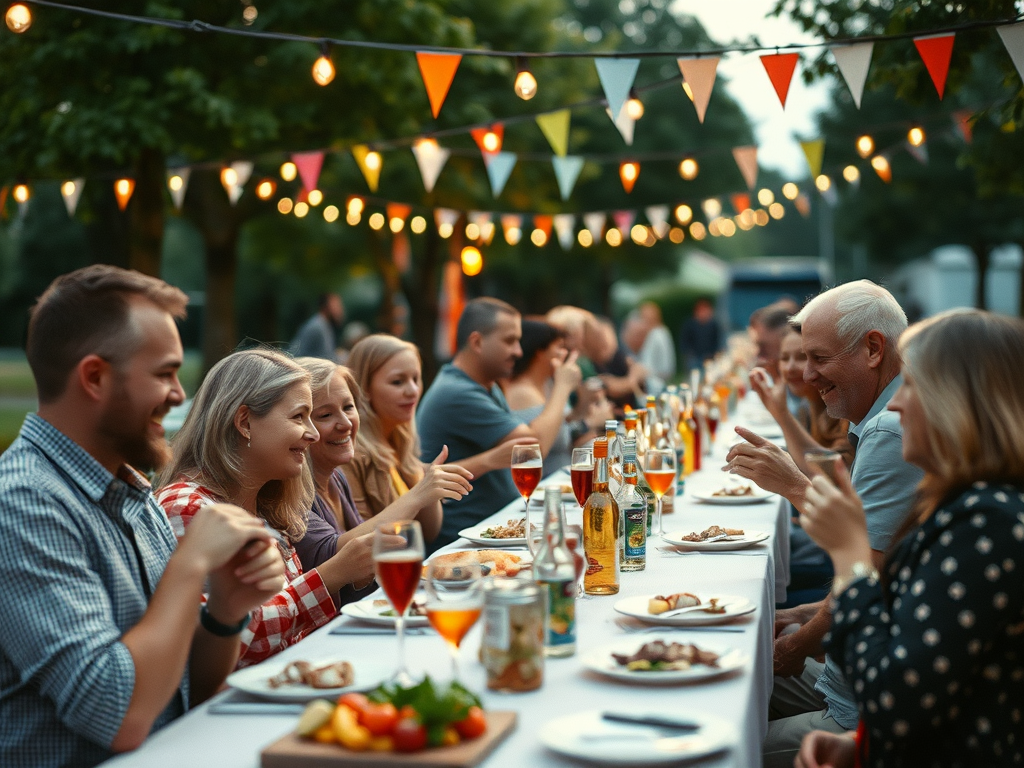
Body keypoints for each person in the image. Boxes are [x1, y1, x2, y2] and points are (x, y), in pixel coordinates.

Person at [0, 266, 285, 767]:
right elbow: (121, 718)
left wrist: (224, 611)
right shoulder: (24, 502)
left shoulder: (130, 489)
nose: (178, 395)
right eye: (163, 374)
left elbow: (185, 692)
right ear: (95, 377)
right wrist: (191, 564)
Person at [796, 309, 1024, 768]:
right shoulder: (968, 505)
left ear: (961, 403)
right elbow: (934, 687)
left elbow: (890, 700)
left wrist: (850, 555)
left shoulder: (987, 524)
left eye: (913, 385)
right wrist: (859, 747)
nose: (896, 405)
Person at [723, 280, 924, 768]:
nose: (805, 372)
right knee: (724, 666)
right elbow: (879, 573)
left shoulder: (888, 426)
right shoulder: (875, 414)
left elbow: (864, 569)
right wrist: (803, 612)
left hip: (858, 704)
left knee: (721, 743)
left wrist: (797, 644)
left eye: (817, 358)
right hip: (845, 673)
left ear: (873, 349)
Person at [157, 349, 368, 667]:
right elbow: (231, 640)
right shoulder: (187, 508)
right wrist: (331, 576)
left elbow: (288, 638)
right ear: (244, 422)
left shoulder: (266, 505)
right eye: (299, 417)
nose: (312, 434)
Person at [293, 355, 471, 605]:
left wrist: (425, 490)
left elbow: (427, 533)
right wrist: (419, 494)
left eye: (348, 407)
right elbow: (338, 556)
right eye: (325, 415)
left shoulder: (336, 476)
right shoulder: (292, 490)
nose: (345, 423)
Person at [417, 298, 547, 549]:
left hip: (495, 528)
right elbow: (533, 447)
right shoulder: (457, 392)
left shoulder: (487, 384)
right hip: (465, 540)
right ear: (476, 342)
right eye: (509, 341)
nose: (519, 351)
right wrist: (562, 388)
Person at [340, 335, 473, 533]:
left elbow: (429, 532)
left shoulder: (399, 438)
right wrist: (420, 494)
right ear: (364, 388)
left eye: (416, 379)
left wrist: (429, 490)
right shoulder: (351, 454)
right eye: (397, 382)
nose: (412, 391)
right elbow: (363, 540)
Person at [505, 319, 610, 476]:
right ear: (540, 352)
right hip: (544, 485)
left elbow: (562, 431)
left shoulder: (547, 384)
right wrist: (564, 386)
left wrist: (584, 402)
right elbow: (537, 448)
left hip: (564, 479)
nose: (564, 353)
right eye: (559, 347)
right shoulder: (521, 392)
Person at [635, 301, 676, 393]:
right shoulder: (655, 333)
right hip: (652, 384)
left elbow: (666, 367)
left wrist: (645, 372)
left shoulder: (658, 334)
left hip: (656, 386)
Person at [290, 293, 344, 360]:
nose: (340, 310)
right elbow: (329, 358)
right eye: (336, 306)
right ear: (325, 307)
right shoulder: (318, 327)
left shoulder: (323, 324)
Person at [679, 298, 722, 373]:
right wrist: (689, 354)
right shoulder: (690, 325)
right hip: (694, 358)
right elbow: (684, 342)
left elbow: (717, 341)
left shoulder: (713, 325)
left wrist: (714, 354)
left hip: (709, 358)